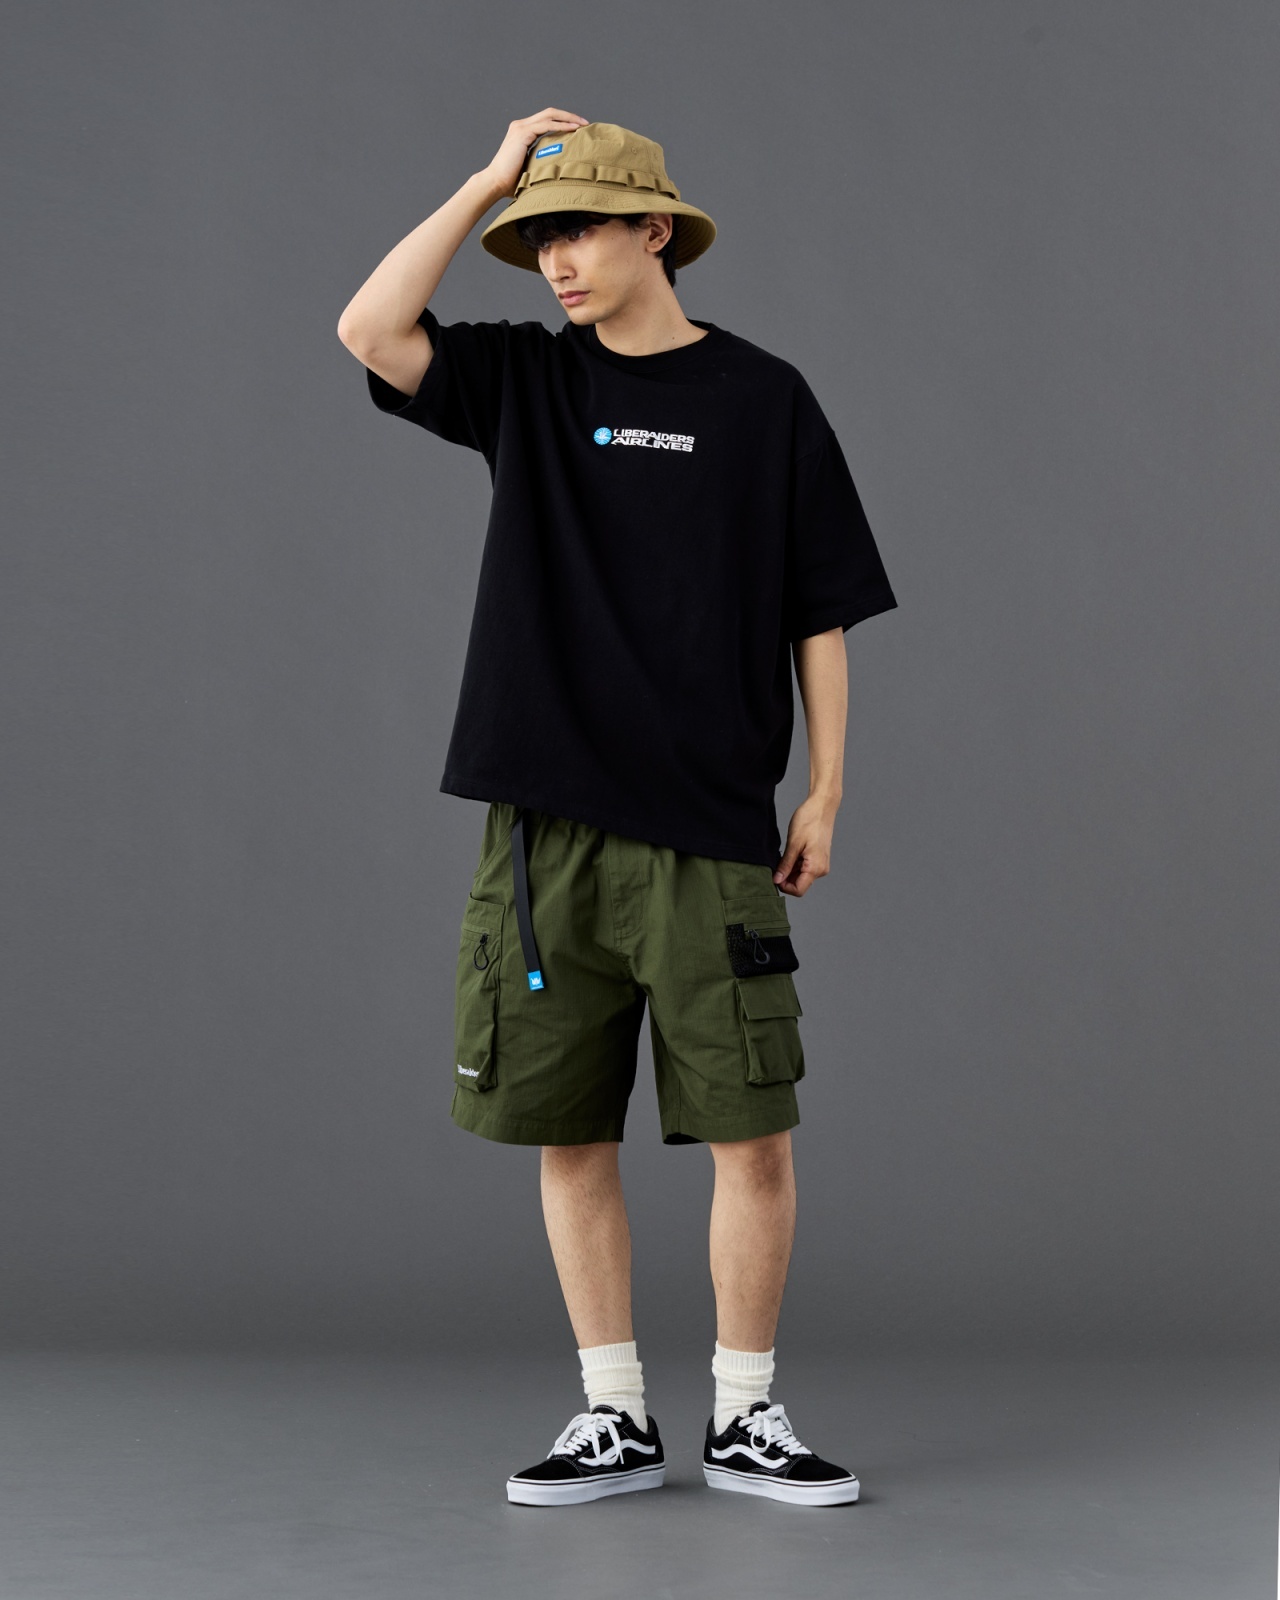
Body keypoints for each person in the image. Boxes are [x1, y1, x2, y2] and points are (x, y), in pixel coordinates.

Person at [337, 111, 897, 1508]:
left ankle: (749, 1418)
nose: (554, 262)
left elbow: (821, 612)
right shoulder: (524, 380)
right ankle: (615, 1415)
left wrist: (827, 790)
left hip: (713, 832)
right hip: (546, 834)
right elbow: (369, 327)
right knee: (568, 1130)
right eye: (536, 241)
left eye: (578, 229)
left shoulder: (765, 399)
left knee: (752, 1136)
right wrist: (485, 179)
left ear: (656, 230)